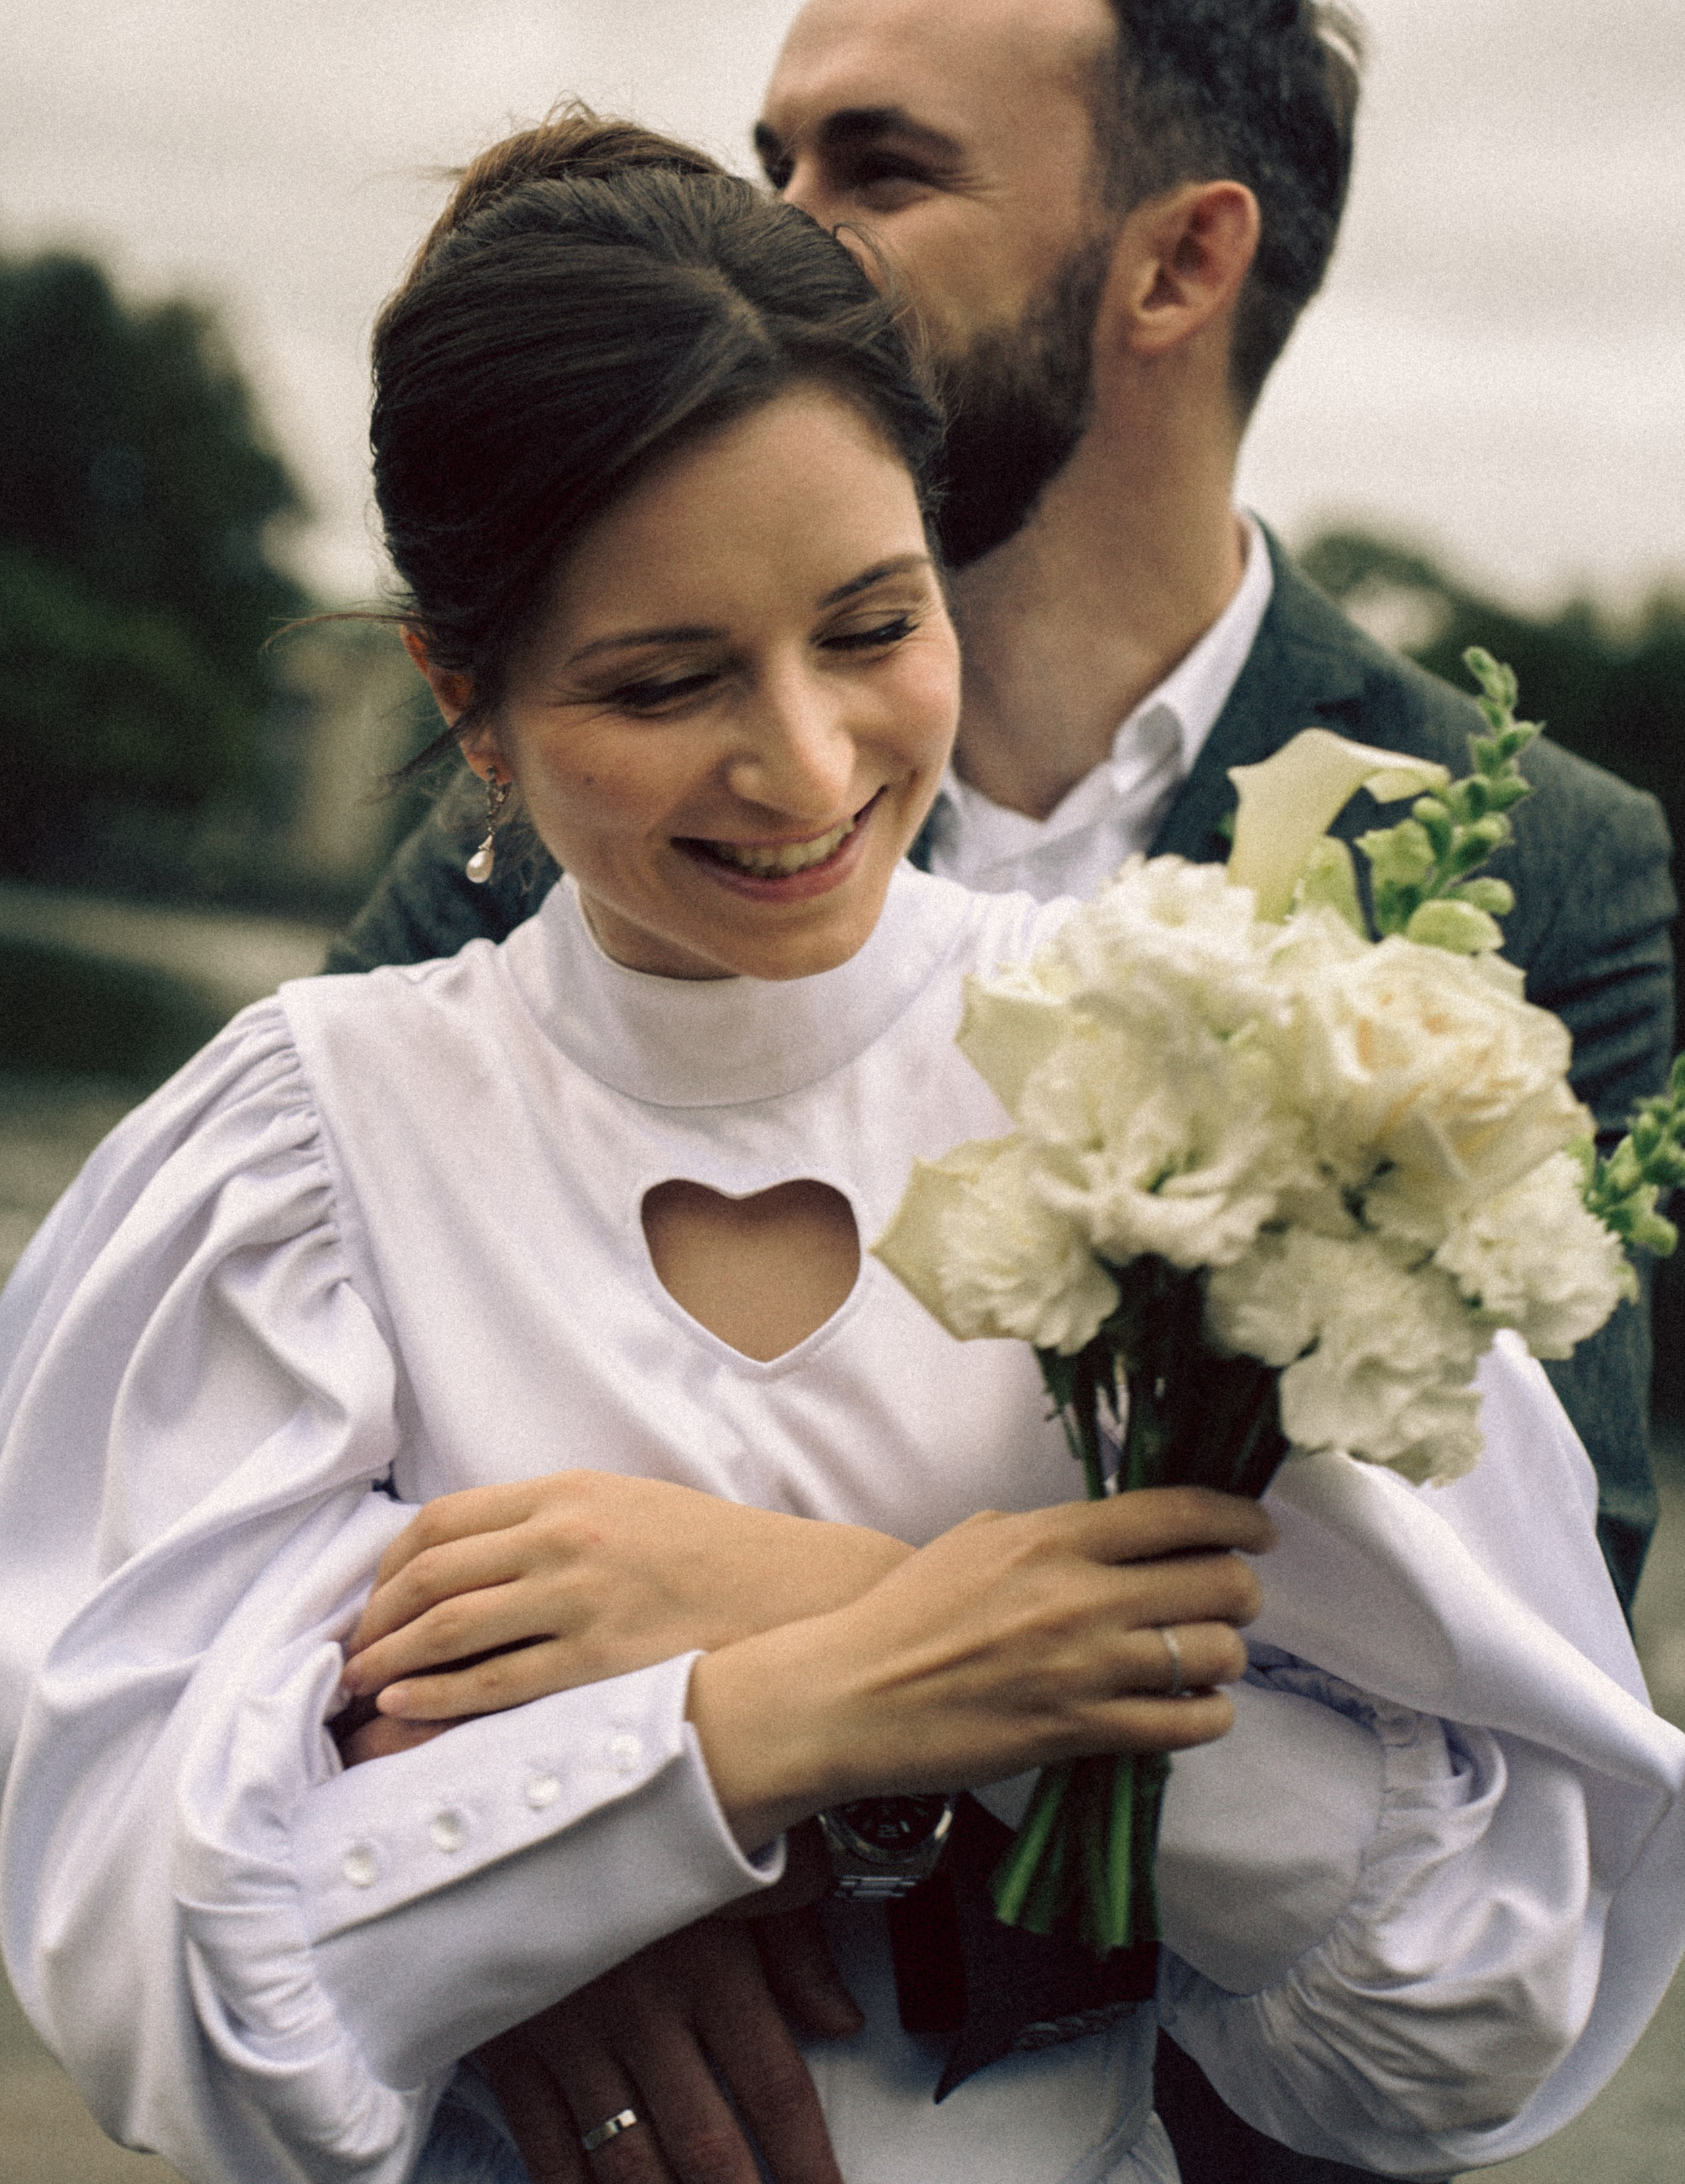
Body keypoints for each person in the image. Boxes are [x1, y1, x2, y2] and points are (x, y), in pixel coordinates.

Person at [2, 119, 1680, 2184]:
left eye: (873, 628)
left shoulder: (1213, 1074)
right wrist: (766, 1730)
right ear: (468, 700)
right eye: (662, 681)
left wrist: (883, 1634)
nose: (804, 765)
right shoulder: (305, 1154)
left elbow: (1468, 2001)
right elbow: (172, 2006)